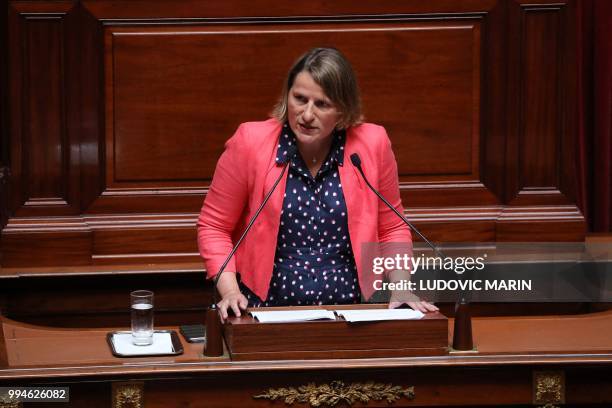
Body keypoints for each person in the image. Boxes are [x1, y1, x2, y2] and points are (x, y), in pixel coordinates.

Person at [197, 47, 438, 321]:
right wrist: (229, 291)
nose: (307, 114)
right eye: (299, 99)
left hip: (354, 314)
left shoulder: (372, 144)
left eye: (322, 104)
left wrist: (402, 287)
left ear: (343, 110)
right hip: (267, 313)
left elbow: (392, 226)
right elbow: (214, 226)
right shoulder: (251, 142)